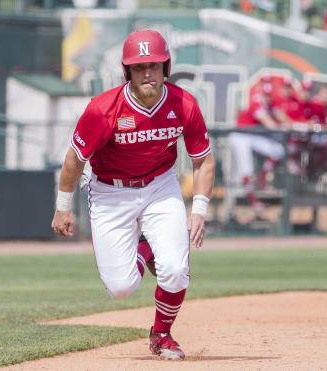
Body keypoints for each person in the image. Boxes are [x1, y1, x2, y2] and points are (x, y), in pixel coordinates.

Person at [51, 30, 215, 360]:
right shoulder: (103, 109)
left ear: (165, 67)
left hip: (160, 186)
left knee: (175, 268)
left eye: (153, 66)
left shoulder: (183, 103)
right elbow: (74, 159)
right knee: (121, 287)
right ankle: (145, 249)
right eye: (138, 67)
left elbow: (204, 160)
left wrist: (198, 209)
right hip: (111, 191)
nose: (147, 73)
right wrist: (62, 207)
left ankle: (162, 334)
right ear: (126, 71)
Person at [229, 83, 286, 210]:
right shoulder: (256, 102)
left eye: (269, 95)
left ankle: (262, 178)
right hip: (240, 136)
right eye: (265, 95)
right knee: (247, 169)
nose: (267, 98)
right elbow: (269, 124)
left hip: (252, 136)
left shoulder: (271, 104)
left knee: (278, 150)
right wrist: (285, 127)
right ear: (261, 94)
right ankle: (252, 200)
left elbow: (283, 118)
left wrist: (291, 124)